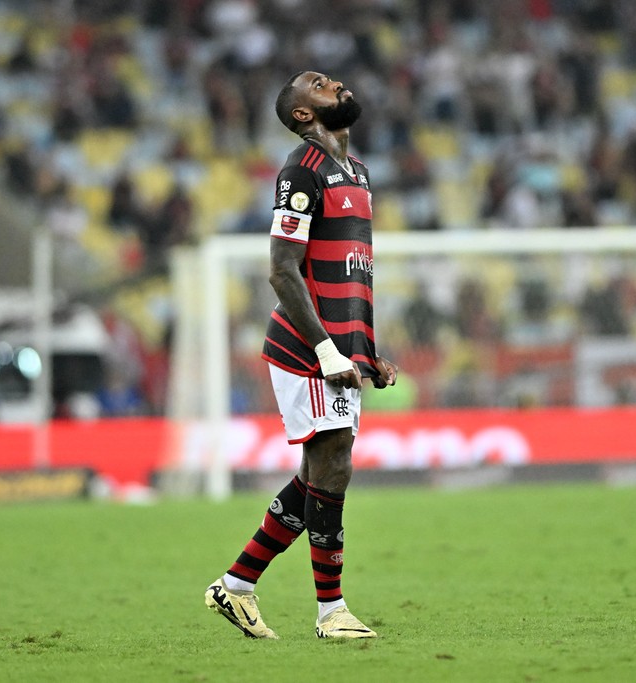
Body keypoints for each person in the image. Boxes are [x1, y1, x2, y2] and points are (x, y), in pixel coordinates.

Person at [204, 71, 398, 640]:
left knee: (317, 473)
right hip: (306, 347)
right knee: (334, 462)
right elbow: (282, 270)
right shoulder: (301, 171)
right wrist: (326, 348)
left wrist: (366, 351)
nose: (334, 83)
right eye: (318, 85)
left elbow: (349, 274)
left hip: (340, 348)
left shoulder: (357, 173)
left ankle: (236, 586)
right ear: (303, 116)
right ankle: (330, 611)